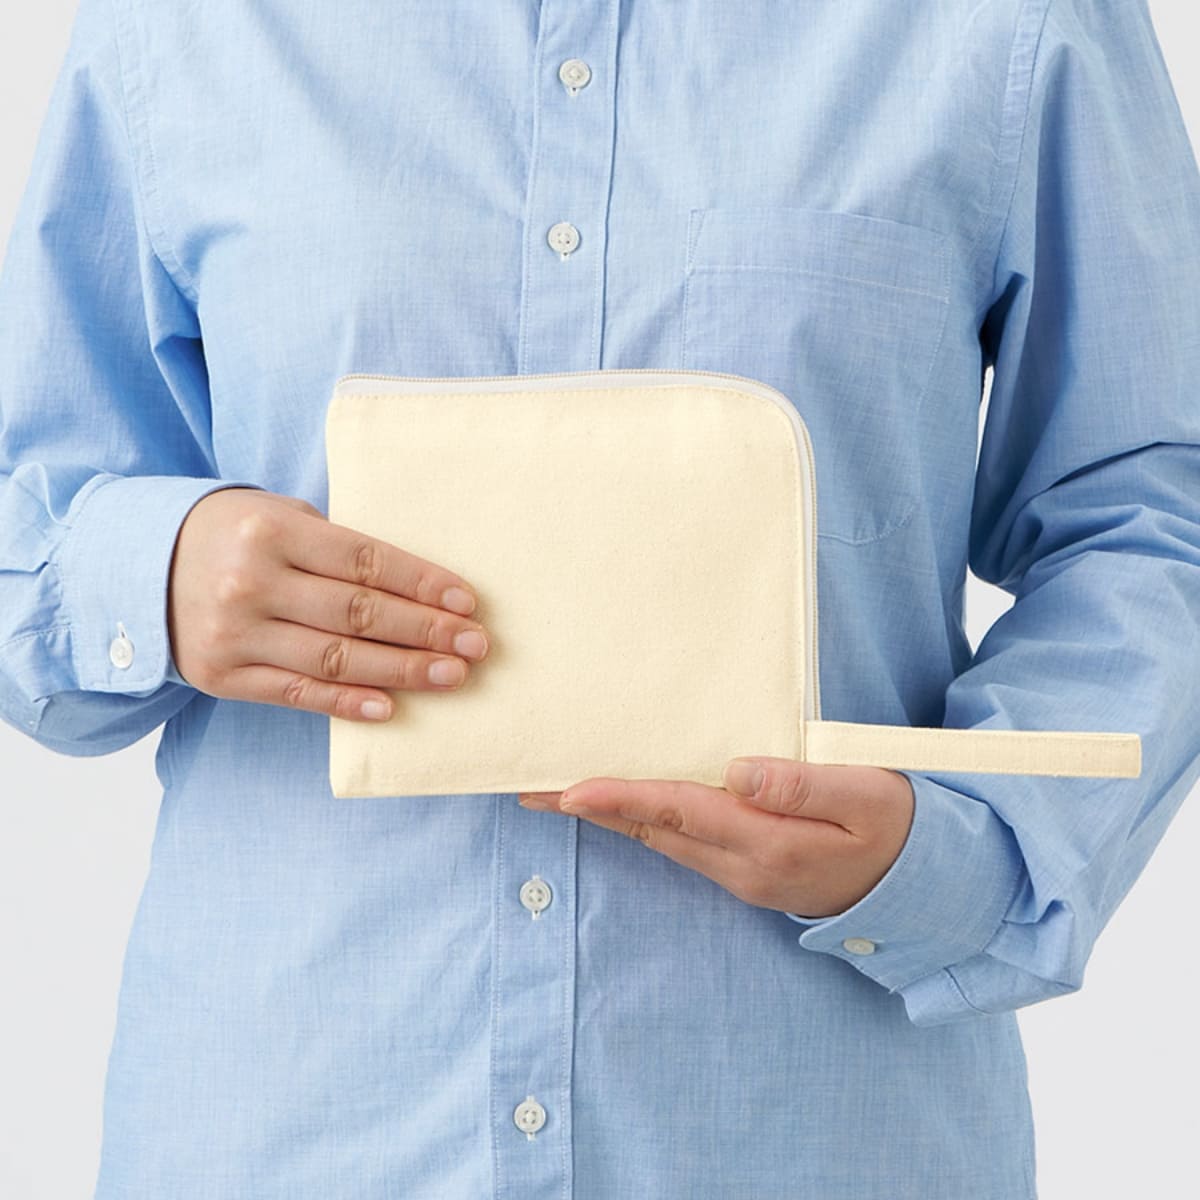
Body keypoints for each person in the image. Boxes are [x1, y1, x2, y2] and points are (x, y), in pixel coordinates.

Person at [1, 1, 1198, 1196]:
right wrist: (154, 571)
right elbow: (29, 505)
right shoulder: (177, 25)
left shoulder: (1015, 22)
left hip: (810, 1135)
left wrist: (953, 853)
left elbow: (1151, 516)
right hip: (291, 1131)